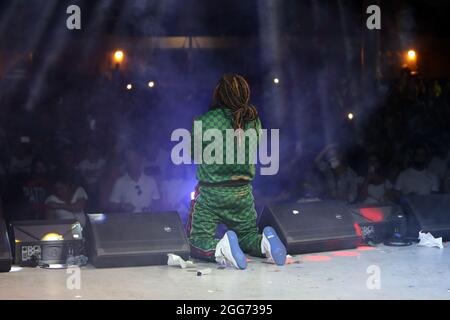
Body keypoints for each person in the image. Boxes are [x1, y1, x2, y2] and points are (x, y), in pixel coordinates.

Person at [187, 74, 286, 270]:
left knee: (196, 241)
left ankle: (221, 248)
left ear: (219, 94)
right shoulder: (254, 120)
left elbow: (193, 153)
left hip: (211, 195)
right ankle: (265, 244)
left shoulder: (205, 120)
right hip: (242, 194)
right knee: (248, 235)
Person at [109, 147, 160, 213]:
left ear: (140, 160)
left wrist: (151, 209)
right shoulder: (120, 182)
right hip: (128, 222)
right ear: (127, 162)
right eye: (130, 160)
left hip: (148, 221)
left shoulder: (151, 181)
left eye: (136, 160)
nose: (133, 163)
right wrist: (122, 206)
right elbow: (112, 206)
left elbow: (158, 203)